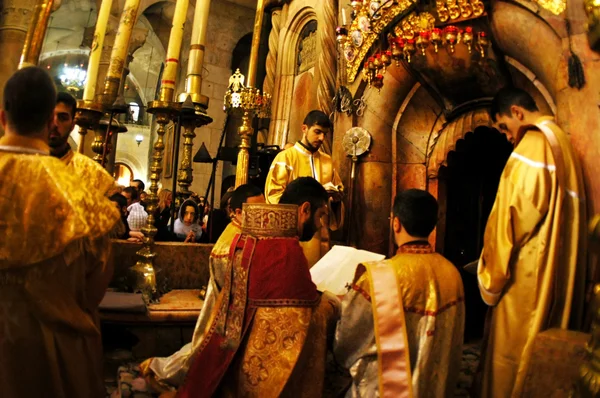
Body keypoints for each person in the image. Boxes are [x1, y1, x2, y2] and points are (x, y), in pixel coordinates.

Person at [0, 67, 120, 398]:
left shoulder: (87, 181)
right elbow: (94, 289)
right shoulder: (82, 196)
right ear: (48, 121)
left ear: (1, 116)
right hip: (54, 360)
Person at [169, 177, 339, 397]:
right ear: (305, 210)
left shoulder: (252, 235)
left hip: (230, 353)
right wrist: (333, 305)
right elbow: (303, 311)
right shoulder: (286, 248)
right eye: (321, 215)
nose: (321, 224)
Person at [477, 87, 586, 397]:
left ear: (517, 113)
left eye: (503, 127)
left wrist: (490, 278)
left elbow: (508, 219)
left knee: (511, 361)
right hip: (557, 277)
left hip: (527, 282)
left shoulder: (534, 144)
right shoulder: (562, 142)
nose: (507, 137)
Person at [334, 189, 465, 397]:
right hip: (435, 388)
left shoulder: (377, 278)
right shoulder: (452, 273)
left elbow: (346, 344)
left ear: (396, 223)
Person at [140, 184, 265, 391]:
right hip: (224, 316)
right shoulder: (230, 243)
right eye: (256, 211)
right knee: (200, 361)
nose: (263, 215)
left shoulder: (245, 232)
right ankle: (157, 371)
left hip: (228, 311)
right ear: (237, 213)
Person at [265, 110, 345, 267]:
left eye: (325, 134)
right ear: (304, 129)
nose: (322, 138)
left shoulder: (328, 161)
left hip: (322, 232)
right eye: (317, 132)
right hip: (297, 236)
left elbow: (337, 192)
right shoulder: (286, 157)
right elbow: (274, 198)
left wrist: (336, 199)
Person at [49, 91, 114, 194]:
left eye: (62, 118)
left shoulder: (92, 173)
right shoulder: (23, 164)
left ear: (72, 125)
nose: (54, 124)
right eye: (49, 117)